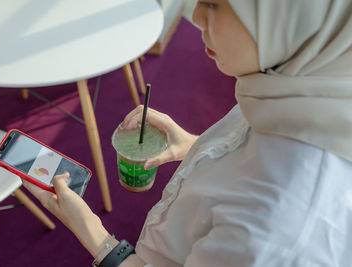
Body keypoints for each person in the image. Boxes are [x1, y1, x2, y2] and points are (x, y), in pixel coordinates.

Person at [22, 0, 352, 266]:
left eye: (213, 4)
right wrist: (193, 145)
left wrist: (93, 234)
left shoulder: (275, 232)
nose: (194, 16)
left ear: (289, 18)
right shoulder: (295, 92)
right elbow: (252, 160)